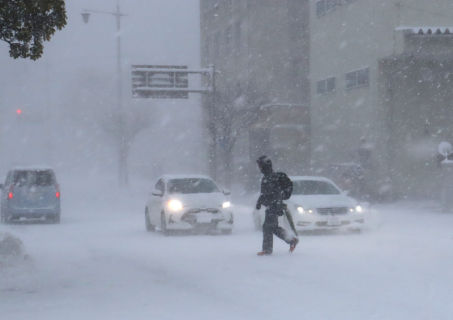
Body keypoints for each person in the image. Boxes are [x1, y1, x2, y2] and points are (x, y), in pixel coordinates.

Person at [255, 155, 298, 256]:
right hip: (273, 205)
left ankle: (268, 249)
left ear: (264, 166)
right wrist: (260, 202)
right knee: (272, 227)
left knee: (267, 227)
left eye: (260, 165)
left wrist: (263, 203)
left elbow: (271, 193)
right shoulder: (270, 176)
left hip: (273, 206)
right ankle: (291, 240)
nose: (259, 168)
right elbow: (266, 193)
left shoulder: (270, 177)